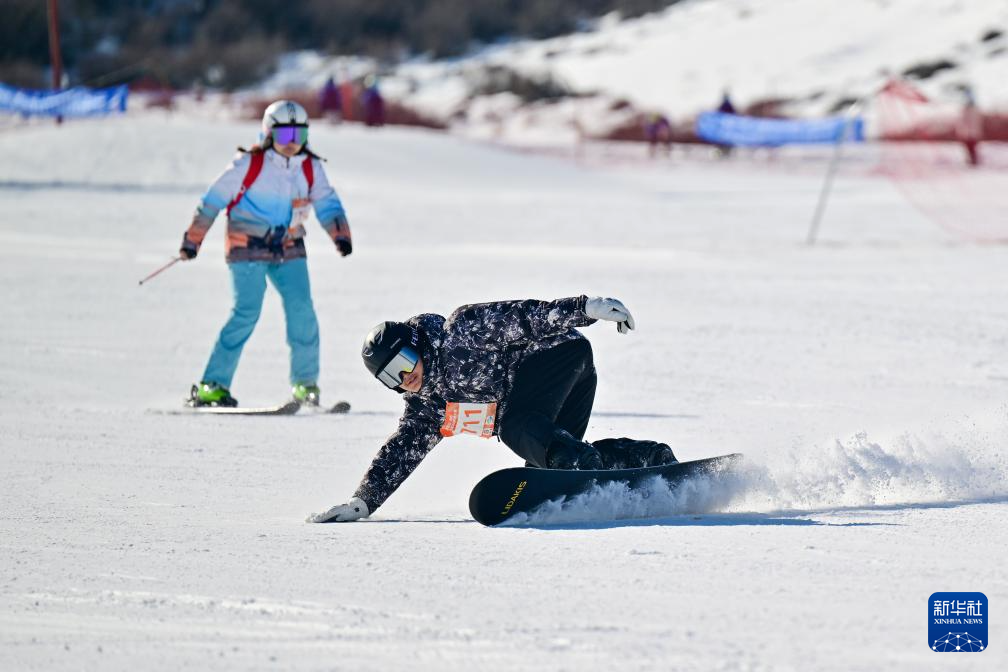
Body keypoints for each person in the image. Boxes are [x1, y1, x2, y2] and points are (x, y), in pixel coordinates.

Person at [309, 296, 677, 522]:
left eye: (404, 362)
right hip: (549, 394)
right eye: (391, 377)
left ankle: (579, 465)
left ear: (417, 343)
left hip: (560, 356)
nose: (405, 377)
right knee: (554, 456)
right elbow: (400, 452)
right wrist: (364, 500)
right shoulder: (426, 410)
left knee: (518, 428)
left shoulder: (462, 333)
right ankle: (645, 459)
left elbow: (527, 316)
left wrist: (585, 309)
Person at [179, 100, 352, 407]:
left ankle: (305, 385)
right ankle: (212, 385)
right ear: (269, 134)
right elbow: (213, 200)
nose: (292, 144)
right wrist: (193, 239)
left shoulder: (310, 167)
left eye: (299, 137)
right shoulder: (249, 164)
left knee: (303, 311)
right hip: (247, 246)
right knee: (247, 312)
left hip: (288, 246)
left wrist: (340, 235)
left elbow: (327, 202)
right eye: (285, 136)